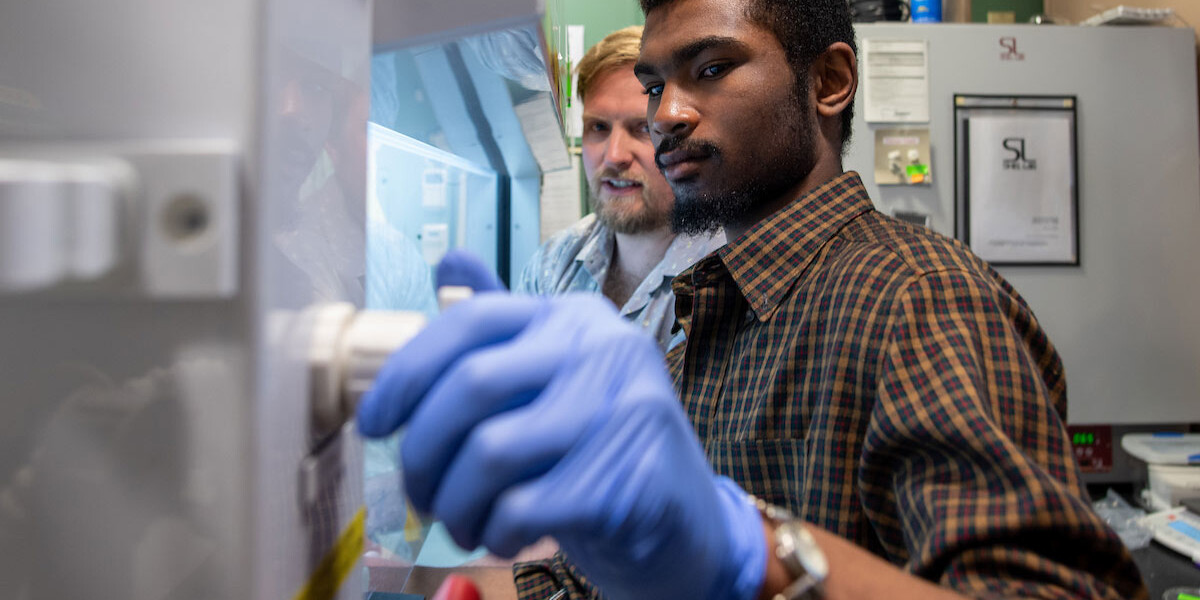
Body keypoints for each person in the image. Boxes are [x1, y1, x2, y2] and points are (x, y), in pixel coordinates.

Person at [358, 0, 1149, 598]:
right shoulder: (720, 308)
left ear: (829, 82)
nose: (666, 114)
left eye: (710, 68)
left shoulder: (918, 297)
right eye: (654, 83)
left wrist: (756, 551)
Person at [516, 25, 723, 351]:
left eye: (641, 128)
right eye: (598, 127)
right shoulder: (553, 265)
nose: (613, 157)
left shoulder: (721, 276)